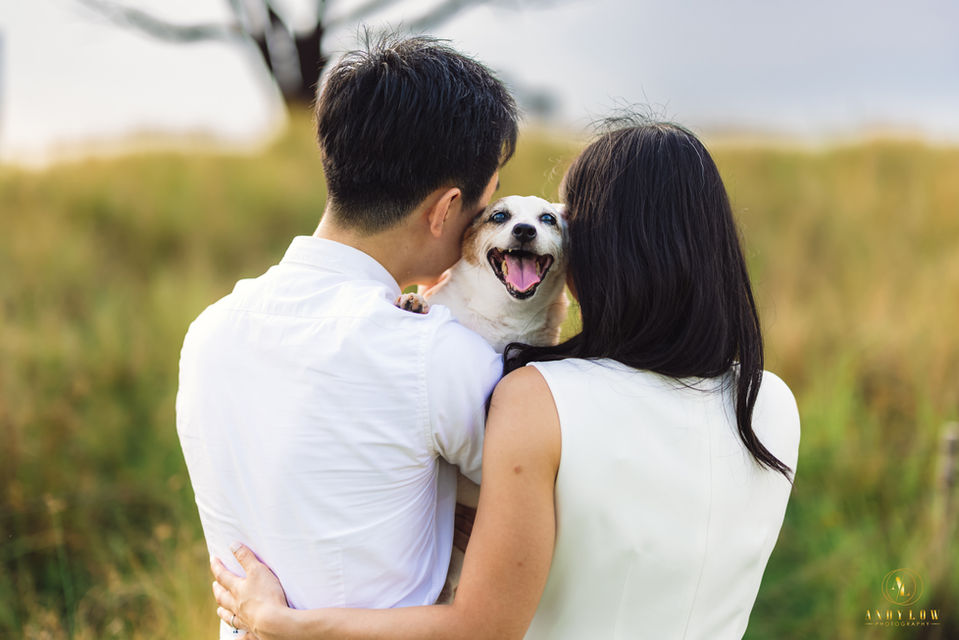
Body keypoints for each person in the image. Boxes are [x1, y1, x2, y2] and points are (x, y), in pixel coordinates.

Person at [209, 119, 802, 639]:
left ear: (598, 253)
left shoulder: (542, 400)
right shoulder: (769, 403)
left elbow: (480, 629)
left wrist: (288, 625)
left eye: (567, 224)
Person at [176, 33, 518, 639]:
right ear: (445, 210)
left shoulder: (208, 334)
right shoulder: (434, 354)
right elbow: (545, 497)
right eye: (486, 208)